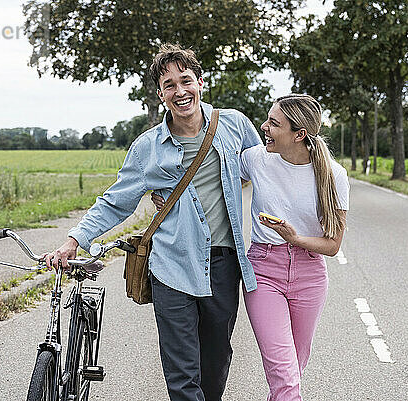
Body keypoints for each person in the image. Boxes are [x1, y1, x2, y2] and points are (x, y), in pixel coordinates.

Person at [44, 43, 262, 401]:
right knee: (181, 371)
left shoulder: (234, 124)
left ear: (200, 82)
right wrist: (74, 239)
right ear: (161, 95)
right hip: (171, 265)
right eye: (170, 85)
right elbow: (116, 200)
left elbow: (264, 169)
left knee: (217, 359)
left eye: (185, 80)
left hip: (224, 263)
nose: (180, 91)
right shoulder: (149, 146)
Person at [153, 94, 349, 400]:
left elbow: (334, 245)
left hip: (310, 276)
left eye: (274, 123)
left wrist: (295, 238)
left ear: (299, 135)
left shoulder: (334, 176)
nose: (264, 127)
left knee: (293, 373)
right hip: (264, 272)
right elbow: (210, 175)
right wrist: (168, 195)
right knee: (285, 376)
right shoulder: (257, 159)